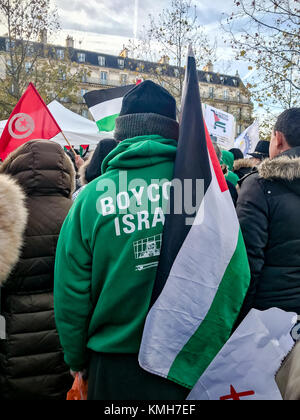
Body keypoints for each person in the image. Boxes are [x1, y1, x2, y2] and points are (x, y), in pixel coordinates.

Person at [54, 80, 190, 400]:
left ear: (121, 133)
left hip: (113, 365)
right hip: (187, 359)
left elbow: (71, 294)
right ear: (174, 130)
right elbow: (234, 274)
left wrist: (77, 363)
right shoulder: (202, 191)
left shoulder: (90, 199)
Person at [0, 139, 75, 400]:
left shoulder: (4, 213)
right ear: (66, 173)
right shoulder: (78, 211)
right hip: (65, 339)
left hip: (11, 337)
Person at [235, 108, 300, 324]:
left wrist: (237, 323)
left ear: (278, 138)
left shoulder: (260, 186)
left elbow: (246, 266)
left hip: (271, 322)